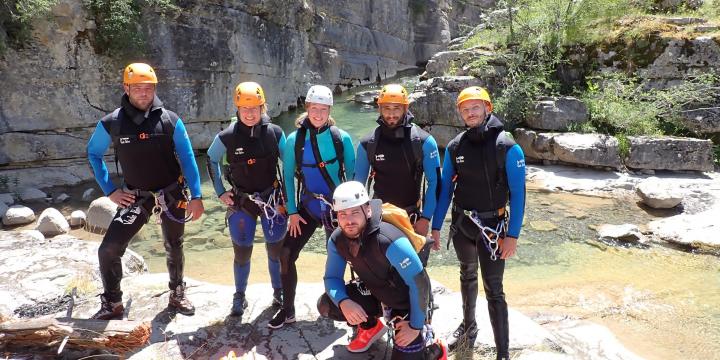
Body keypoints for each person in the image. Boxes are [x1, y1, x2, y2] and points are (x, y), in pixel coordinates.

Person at [87, 63, 204, 320]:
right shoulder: (112, 123)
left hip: (171, 193)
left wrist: (196, 196)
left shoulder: (170, 120)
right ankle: (113, 302)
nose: (143, 93)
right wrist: (110, 191)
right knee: (108, 249)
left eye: (148, 88)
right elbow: (94, 154)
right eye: (137, 88)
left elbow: (187, 159)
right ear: (126, 88)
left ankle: (177, 292)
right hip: (136, 196)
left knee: (174, 244)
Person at [431, 86, 526, 359]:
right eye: (465, 109)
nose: (470, 113)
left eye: (475, 107)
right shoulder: (455, 146)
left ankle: (503, 353)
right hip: (463, 225)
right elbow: (446, 191)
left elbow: (519, 195)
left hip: (494, 227)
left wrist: (513, 235)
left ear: (488, 108)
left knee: (494, 290)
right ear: (460, 113)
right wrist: (436, 227)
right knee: (467, 274)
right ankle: (469, 326)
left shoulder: (507, 146)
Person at [318, 181, 446, 359]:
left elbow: (420, 282)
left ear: (368, 210)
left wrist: (415, 326)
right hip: (376, 291)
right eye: (342, 214)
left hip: (406, 302)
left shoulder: (388, 239)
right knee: (326, 305)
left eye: (355, 212)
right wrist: (343, 302)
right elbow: (332, 277)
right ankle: (371, 327)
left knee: (408, 350)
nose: (349, 220)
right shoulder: (337, 240)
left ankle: (435, 349)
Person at [268, 85, 355, 329]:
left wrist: (354, 215)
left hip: (336, 210)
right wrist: (293, 212)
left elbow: (354, 178)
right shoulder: (294, 140)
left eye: (323, 109)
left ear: (329, 110)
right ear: (307, 108)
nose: (318, 114)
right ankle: (288, 310)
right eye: (314, 108)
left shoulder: (341, 139)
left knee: (348, 258)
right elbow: (287, 177)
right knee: (285, 254)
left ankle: (350, 308)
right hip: (308, 207)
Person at [206, 82, 287, 318]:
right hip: (242, 201)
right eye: (245, 109)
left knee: (275, 250)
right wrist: (220, 191)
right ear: (237, 109)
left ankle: (278, 291)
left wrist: (291, 200)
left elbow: (290, 165)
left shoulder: (275, 133)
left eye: (255, 108)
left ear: (263, 107)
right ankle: (240, 295)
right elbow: (212, 160)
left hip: (272, 199)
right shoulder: (228, 137)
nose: (250, 114)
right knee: (242, 252)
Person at [354, 84, 441, 239]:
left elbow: (435, 183)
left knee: (413, 264)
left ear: (405, 108)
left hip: (412, 218)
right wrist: (358, 217)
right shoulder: (367, 144)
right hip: (378, 217)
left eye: (397, 108)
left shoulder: (424, 142)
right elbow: (357, 186)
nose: (391, 114)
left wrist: (426, 219)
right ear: (379, 109)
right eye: (387, 108)